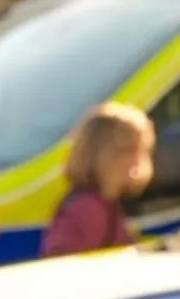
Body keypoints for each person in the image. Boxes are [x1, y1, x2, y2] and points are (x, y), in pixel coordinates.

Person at [44, 103, 155, 258]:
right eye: (126, 150)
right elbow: (64, 269)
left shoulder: (108, 203)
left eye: (141, 149)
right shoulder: (87, 209)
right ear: (99, 154)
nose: (136, 160)